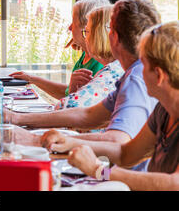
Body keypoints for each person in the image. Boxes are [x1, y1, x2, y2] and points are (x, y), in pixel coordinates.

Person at [8, 0, 160, 171]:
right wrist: (16, 118)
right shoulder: (133, 72)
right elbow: (88, 115)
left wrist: (39, 140)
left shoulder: (135, 78)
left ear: (114, 37)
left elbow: (117, 141)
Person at [53, 21, 179, 191]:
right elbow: (126, 154)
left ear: (158, 75)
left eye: (143, 65)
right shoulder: (163, 110)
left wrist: (98, 170)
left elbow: (173, 184)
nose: (139, 72)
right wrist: (70, 143)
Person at [10, 0, 109, 99]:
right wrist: (32, 79)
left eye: (73, 22)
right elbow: (67, 93)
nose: (70, 28)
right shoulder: (86, 55)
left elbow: (79, 102)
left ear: (86, 27)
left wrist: (33, 79)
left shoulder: (99, 63)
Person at [56, 5, 124, 110]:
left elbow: (66, 108)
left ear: (98, 36)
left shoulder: (112, 71)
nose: (85, 38)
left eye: (86, 32)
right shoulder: (117, 67)